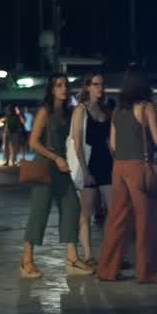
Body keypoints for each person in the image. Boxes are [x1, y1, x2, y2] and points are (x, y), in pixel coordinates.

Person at [96, 64, 157, 283]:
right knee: (145, 221)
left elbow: (114, 144)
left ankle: (107, 270)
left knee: (116, 219)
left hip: (118, 168)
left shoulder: (118, 109)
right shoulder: (146, 107)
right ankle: (147, 272)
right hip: (139, 168)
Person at [20, 74, 95, 279]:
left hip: (62, 167)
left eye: (65, 85)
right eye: (58, 86)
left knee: (72, 207)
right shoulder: (45, 111)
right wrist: (55, 157)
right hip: (45, 165)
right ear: (51, 90)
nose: (63, 89)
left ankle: (72, 259)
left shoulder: (68, 112)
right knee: (39, 213)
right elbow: (33, 142)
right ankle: (26, 260)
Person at [69, 73, 113, 264]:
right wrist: (85, 171)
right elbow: (77, 143)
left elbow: (110, 142)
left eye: (102, 84)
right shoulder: (81, 109)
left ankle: (110, 254)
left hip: (106, 162)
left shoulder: (106, 110)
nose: (99, 88)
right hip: (89, 162)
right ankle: (88, 255)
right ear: (87, 87)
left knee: (114, 210)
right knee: (86, 212)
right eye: (95, 84)